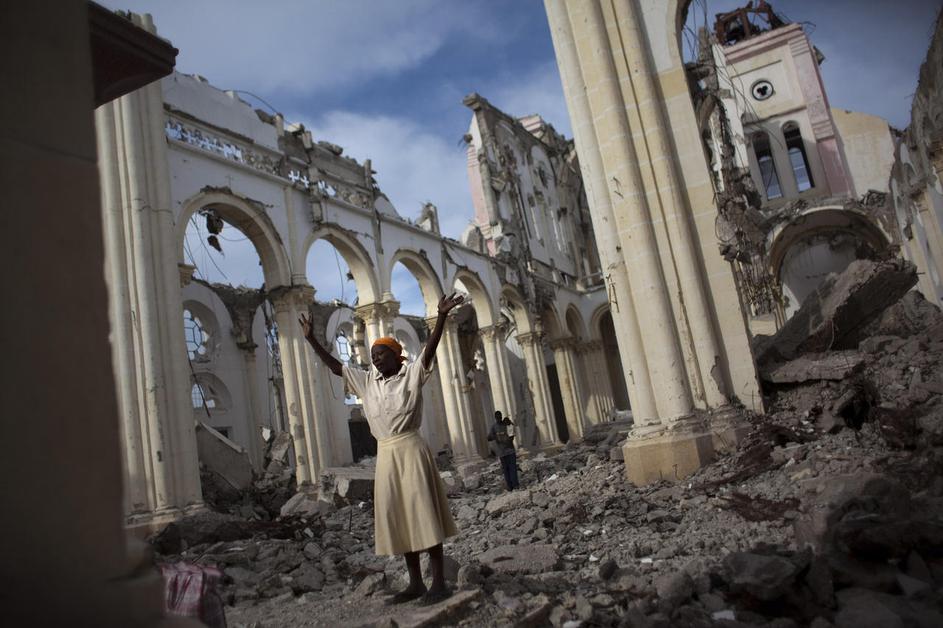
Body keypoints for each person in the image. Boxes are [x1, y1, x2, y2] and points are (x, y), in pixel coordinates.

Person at [298, 292, 464, 604]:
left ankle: (439, 582)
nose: (375, 359)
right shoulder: (367, 382)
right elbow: (336, 367)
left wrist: (441, 317)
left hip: (411, 449)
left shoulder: (412, 373)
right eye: (373, 355)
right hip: (386, 454)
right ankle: (415, 583)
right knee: (400, 517)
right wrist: (311, 340)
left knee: (424, 515)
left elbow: (429, 350)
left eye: (381, 353)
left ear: (396, 355)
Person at [487, 411, 519, 490]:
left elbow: (511, 436)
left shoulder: (507, 424)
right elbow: (488, 438)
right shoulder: (494, 427)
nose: (499, 419)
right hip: (502, 453)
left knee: (512, 468)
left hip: (510, 451)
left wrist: (510, 424)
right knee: (506, 470)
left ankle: (515, 485)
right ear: (495, 418)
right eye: (497, 417)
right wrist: (495, 436)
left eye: (500, 417)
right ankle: (510, 486)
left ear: (501, 417)